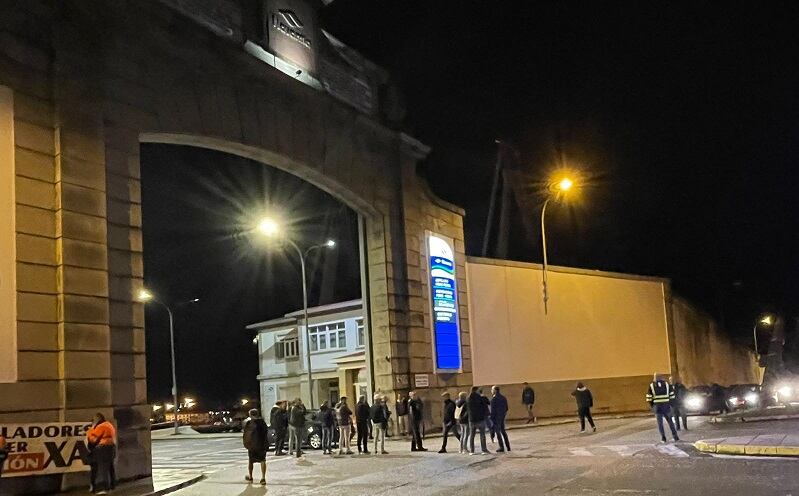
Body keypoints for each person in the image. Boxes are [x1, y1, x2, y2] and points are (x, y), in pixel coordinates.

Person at [86, 413, 116, 494]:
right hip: (111, 448)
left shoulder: (101, 426)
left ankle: (105, 488)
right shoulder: (109, 424)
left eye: (94, 419)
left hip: (104, 449)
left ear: (98, 419)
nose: (93, 421)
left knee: (103, 468)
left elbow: (93, 440)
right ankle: (112, 485)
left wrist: (90, 430)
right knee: (110, 467)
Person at [647, 373, 680, 443]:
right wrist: (671, 405)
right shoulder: (667, 385)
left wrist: (652, 406)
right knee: (670, 422)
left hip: (657, 407)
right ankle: (675, 437)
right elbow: (672, 396)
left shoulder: (651, 386)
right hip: (666, 406)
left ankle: (663, 438)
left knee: (660, 424)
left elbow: (649, 398)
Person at [242, 408, 268, 485]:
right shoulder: (262, 422)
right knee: (263, 460)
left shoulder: (249, 423)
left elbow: (245, 434)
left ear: (250, 414)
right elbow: (265, 433)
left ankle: (250, 476)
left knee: (251, 461)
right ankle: (263, 478)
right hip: (261, 445)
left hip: (252, 445)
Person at [467, 386, 490, 455]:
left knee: (472, 436)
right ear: (476, 390)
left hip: (472, 419)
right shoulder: (481, 398)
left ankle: (472, 451)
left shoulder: (468, 398)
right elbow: (487, 403)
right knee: (482, 435)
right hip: (480, 419)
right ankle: (484, 450)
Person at [490, 386, 511, 452]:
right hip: (502, 416)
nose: (491, 391)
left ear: (495, 390)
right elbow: (506, 408)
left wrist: (492, 418)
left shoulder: (494, 399)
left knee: (498, 432)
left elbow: (493, 411)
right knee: (503, 432)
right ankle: (508, 446)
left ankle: (501, 447)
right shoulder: (503, 398)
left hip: (496, 417)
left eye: (492, 390)